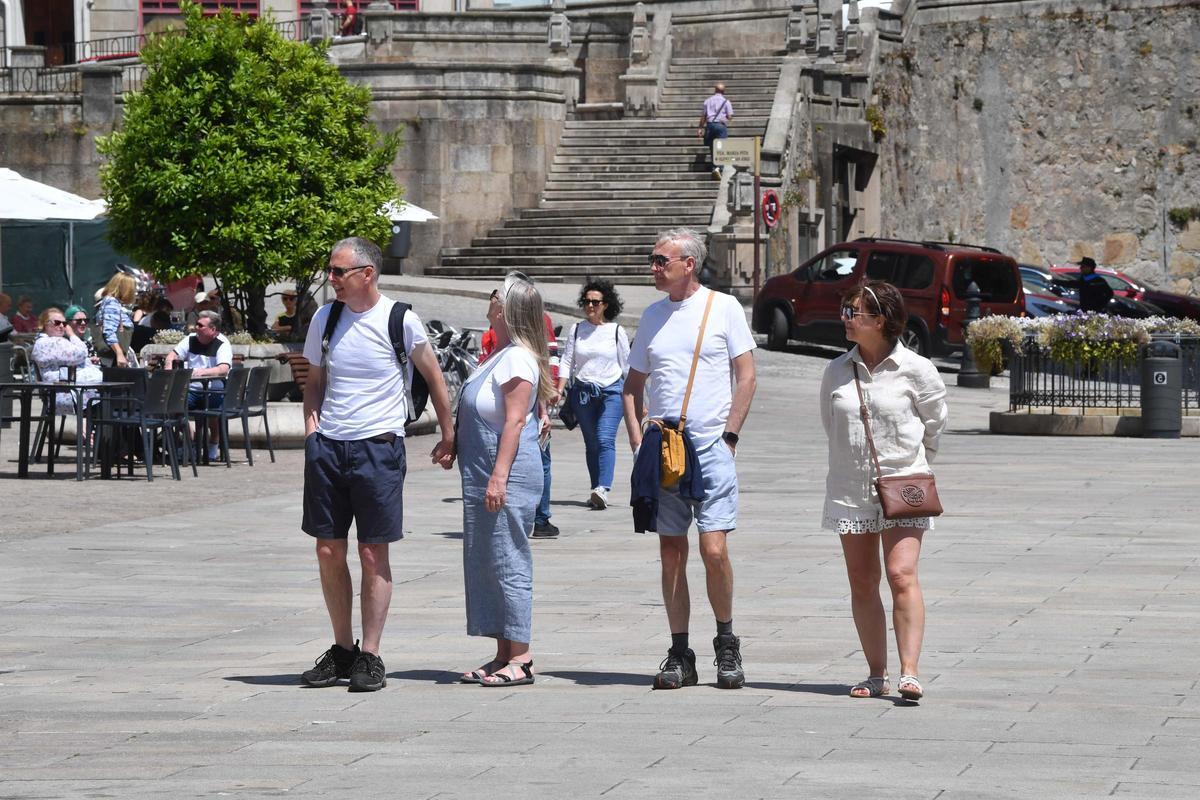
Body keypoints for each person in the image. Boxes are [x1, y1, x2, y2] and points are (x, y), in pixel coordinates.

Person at [299, 237, 455, 693]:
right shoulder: (325, 319)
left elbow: (434, 377)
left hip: (378, 447)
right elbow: (315, 380)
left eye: (338, 271)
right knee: (327, 549)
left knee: (372, 552)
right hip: (329, 447)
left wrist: (449, 434)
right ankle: (342, 649)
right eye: (330, 270)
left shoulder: (399, 319)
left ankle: (371, 653)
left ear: (367, 273)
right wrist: (312, 433)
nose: (331, 279)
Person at [622, 228, 757, 690]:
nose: (654, 267)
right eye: (653, 259)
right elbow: (632, 387)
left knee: (713, 549)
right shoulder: (652, 316)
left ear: (689, 264)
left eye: (662, 260)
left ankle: (726, 642)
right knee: (671, 552)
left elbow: (746, 375)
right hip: (664, 450)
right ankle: (680, 652)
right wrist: (638, 442)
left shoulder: (723, 307)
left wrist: (729, 436)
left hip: (710, 449)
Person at [820, 281, 948, 702]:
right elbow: (831, 424)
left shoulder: (917, 369)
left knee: (900, 573)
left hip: (905, 483)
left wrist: (912, 462)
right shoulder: (837, 369)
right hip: (850, 486)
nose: (845, 319)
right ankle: (877, 673)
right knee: (862, 580)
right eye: (845, 310)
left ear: (880, 320)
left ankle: (910, 671)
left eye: (853, 312)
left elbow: (934, 424)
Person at [455, 272, 554, 687]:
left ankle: (522, 657)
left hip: (504, 472)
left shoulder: (517, 358)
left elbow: (514, 421)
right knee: (489, 561)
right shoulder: (501, 353)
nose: (491, 298)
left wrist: (499, 477)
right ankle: (502, 653)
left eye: (497, 294)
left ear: (508, 308)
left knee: (509, 560)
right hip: (484, 469)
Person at [481, 295, 560, 538]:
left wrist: (544, 408)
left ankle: (541, 517)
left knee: (540, 459)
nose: (494, 299)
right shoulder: (491, 335)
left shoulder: (527, 339)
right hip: (499, 420)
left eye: (500, 295)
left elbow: (545, 362)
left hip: (525, 413)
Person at [556, 279, 630, 510]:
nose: (590, 305)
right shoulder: (577, 329)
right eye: (587, 301)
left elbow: (627, 367)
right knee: (591, 443)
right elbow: (567, 360)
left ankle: (603, 488)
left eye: (595, 302)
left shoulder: (616, 331)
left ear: (606, 304)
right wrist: (558, 389)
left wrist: (637, 398)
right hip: (583, 393)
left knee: (604, 438)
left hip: (612, 391)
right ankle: (596, 488)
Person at [164, 310, 234, 462]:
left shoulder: (222, 343)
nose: (196, 327)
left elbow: (223, 369)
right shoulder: (190, 339)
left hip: (214, 391)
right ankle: (190, 441)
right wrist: (169, 368)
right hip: (191, 390)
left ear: (213, 329)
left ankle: (213, 443)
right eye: (196, 324)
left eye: (200, 325)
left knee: (211, 410)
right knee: (173, 404)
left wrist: (201, 372)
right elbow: (172, 356)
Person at [31, 307, 103, 415]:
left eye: (64, 324)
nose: (61, 326)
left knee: (114, 393)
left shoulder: (55, 341)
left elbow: (70, 359)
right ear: (45, 324)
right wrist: (71, 334)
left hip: (74, 388)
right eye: (57, 323)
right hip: (65, 391)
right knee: (112, 397)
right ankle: (100, 424)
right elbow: (82, 352)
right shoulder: (47, 342)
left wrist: (87, 361)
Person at [95, 272, 136, 367]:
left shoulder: (113, 302)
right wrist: (119, 353)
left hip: (113, 357)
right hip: (112, 359)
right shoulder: (111, 302)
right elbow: (109, 331)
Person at [697, 83, 733, 178]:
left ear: (715, 90)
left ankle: (714, 167)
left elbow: (703, 116)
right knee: (721, 148)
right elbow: (729, 117)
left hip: (710, 125)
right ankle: (718, 168)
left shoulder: (707, 101)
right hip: (720, 126)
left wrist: (700, 128)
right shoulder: (726, 102)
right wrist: (724, 118)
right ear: (723, 91)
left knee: (712, 147)